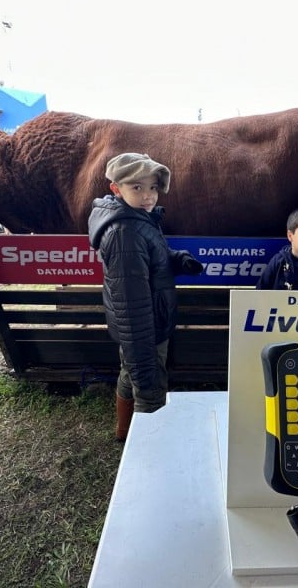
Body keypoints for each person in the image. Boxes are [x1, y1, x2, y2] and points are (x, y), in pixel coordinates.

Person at [87, 153, 203, 441]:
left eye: (152, 187)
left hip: (144, 326)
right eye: (137, 188)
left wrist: (176, 259)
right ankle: (151, 450)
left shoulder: (136, 218)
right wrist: (143, 358)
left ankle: (124, 433)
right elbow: (131, 304)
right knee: (149, 389)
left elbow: (147, 262)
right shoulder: (125, 231)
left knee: (128, 375)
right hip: (144, 332)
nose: (148, 196)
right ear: (116, 189)